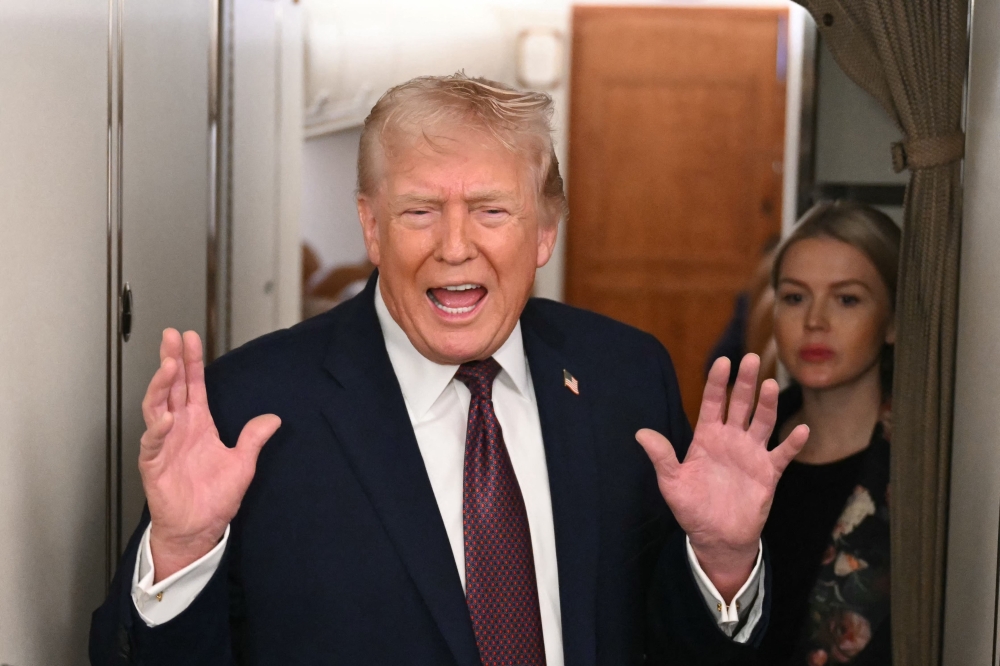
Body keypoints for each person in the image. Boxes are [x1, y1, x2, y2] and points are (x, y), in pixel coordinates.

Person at [89, 74, 808, 665]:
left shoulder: (626, 377)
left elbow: (676, 646)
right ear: (371, 226)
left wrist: (722, 561)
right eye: (420, 211)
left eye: (492, 209)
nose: (455, 245)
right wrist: (183, 550)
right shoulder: (254, 403)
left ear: (545, 229)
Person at [758, 201, 899, 665]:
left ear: (893, 322)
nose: (815, 321)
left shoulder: (921, 466)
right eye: (795, 297)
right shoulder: (742, 442)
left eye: (847, 299)